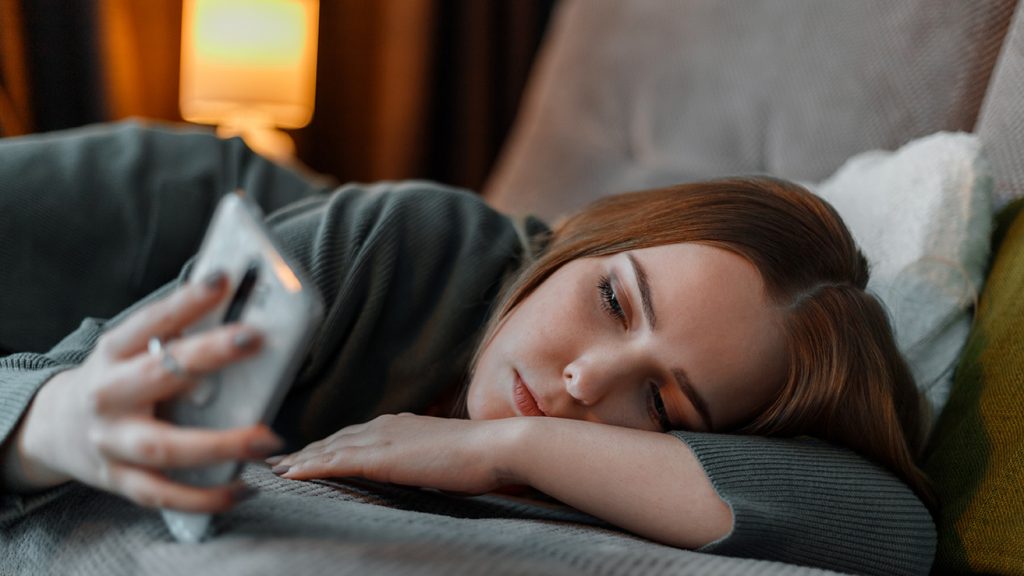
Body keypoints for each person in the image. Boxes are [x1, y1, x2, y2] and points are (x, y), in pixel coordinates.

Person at [0, 121, 935, 574]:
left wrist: (508, 445)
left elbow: (892, 530)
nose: (584, 379)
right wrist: (52, 423)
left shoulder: (612, 469)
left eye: (659, 404)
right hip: (149, 213)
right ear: (585, 238)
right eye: (613, 299)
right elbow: (50, 382)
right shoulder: (399, 244)